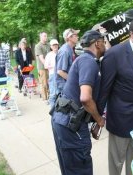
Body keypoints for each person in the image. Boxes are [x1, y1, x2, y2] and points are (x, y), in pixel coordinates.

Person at [97, 18, 133, 175]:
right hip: (121, 119)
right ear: (132, 34)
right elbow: (104, 89)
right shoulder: (115, 54)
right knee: (117, 161)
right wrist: (97, 117)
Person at [51, 30, 106, 175]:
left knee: (70, 168)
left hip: (64, 120)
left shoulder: (83, 59)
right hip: (72, 125)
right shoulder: (89, 62)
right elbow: (85, 98)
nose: (105, 45)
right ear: (98, 43)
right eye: (104, 42)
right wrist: (99, 120)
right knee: (80, 168)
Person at [54, 28, 80, 96]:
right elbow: (60, 71)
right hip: (64, 86)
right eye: (76, 35)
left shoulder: (71, 49)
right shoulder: (64, 51)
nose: (78, 37)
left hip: (68, 84)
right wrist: (74, 81)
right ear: (70, 38)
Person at [35, 32, 50, 102]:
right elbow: (41, 58)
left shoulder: (48, 45)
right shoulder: (38, 46)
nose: (46, 37)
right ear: (41, 37)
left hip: (49, 67)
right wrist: (47, 65)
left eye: (46, 36)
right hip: (42, 67)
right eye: (44, 36)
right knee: (44, 83)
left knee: (49, 82)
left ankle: (50, 96)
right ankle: (45, 98)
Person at [44, 39, 59, 106]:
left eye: (56, 45)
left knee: (59, 92)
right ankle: (52, 109)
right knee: (53, 93)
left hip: (60, 74)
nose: (55, 46)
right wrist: (54, 66)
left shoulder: (61, 53)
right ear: (51, 46)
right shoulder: (49, 55)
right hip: (52, 74)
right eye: (53, 45)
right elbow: (45, 66)